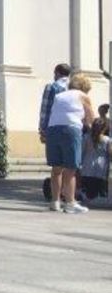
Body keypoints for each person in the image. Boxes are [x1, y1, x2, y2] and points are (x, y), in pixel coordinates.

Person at [46, 72, 96, 213]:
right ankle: (70, 203)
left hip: (53, 130)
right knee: (70, 169)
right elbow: (91, 120)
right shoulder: (83, 96)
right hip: (70, 130)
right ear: (85, 87)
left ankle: (55, 202)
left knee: (56, 169)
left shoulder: (59, 95)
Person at [39, 63, 71, 196]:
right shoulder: (73, 87)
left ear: (57, 73)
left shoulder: (52, 87)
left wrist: (42, 129)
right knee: (70, 165)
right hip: (72, 128)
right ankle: (68, 194)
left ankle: (56, 196)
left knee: (56, 166)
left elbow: (45, 109)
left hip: (54, 127)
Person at [79, 117, 111, 205]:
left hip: (87, 169)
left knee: (88, 193)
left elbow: (81, 152)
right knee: (100, 194)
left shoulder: (86, 137)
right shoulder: (107, 140)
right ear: (105, 128)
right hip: (101, 170)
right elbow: (110, 155)